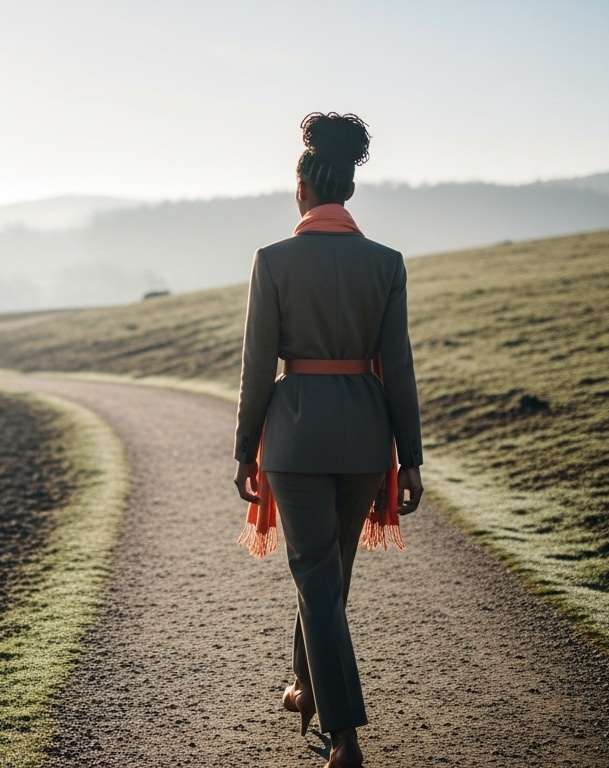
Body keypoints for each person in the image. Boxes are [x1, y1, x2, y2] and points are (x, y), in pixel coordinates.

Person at [231, 112, 423, 768]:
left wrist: (241, 451)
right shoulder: (386, 264)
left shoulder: (273, 261)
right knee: (326, 576)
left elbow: (258, 368)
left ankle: (343, 735)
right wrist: (412, 460)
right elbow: (398, 369)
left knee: (316, 576)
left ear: (303, 192)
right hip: (368, 444)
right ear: (347, 191)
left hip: (296, 442)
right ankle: (306, 685)